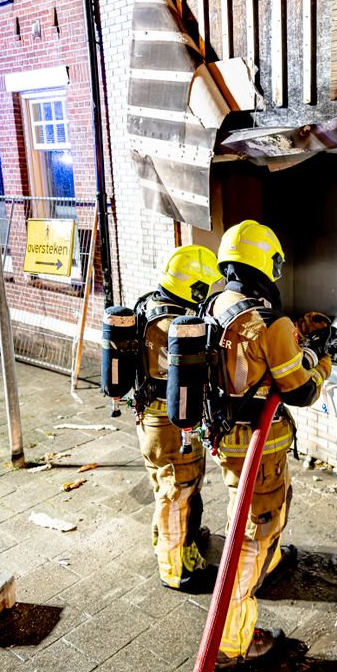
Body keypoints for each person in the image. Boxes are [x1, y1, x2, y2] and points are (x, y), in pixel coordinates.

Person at [209, 220, 332, 671]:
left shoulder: (218, 303)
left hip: (229, 440)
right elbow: (299, 390)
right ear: (266, 263)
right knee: (249, 540)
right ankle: (231, 643)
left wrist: (298, 332)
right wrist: (323, 360)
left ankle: (270, 561)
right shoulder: (270, 322)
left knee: (257, 523)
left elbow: (252, 358)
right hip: (260, 451)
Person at [135, 245, 222, 591]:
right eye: (206, 288)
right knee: (177, 491)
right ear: (195, 288)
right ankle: (175, 569)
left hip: (151, 421)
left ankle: (175, 544)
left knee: (166, 488)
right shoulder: (174, 325)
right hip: (170, 427)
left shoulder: (149, 305)